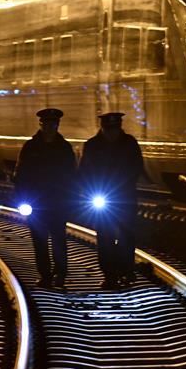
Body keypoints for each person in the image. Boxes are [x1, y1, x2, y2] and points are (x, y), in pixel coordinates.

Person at [79, 112, 143, 290]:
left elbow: (137, 167)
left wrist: (126, 184)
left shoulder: (129, 143)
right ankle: (109, 274)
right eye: (109, 129)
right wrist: (87, 190)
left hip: (124, 197)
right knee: (105, 237)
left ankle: (125, 270)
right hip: (104, 196)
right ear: (103, 128)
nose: (112, 132)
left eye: (115, 128)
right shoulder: (92, 145)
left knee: (126, 236)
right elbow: (84, 170)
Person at [13, 108, 76, 288]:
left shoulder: (64, 148)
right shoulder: (30, 147)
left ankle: (60, 274)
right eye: (47, 123)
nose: (50, 127)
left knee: (58, 240)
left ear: (57, 125)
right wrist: (21, 198)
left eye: (53, 124)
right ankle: (46, 275)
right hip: (37, 202)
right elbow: (20, 174)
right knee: (40, 241)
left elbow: (72, 175)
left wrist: (70, 198)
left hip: (58, 202)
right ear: (41, 124)